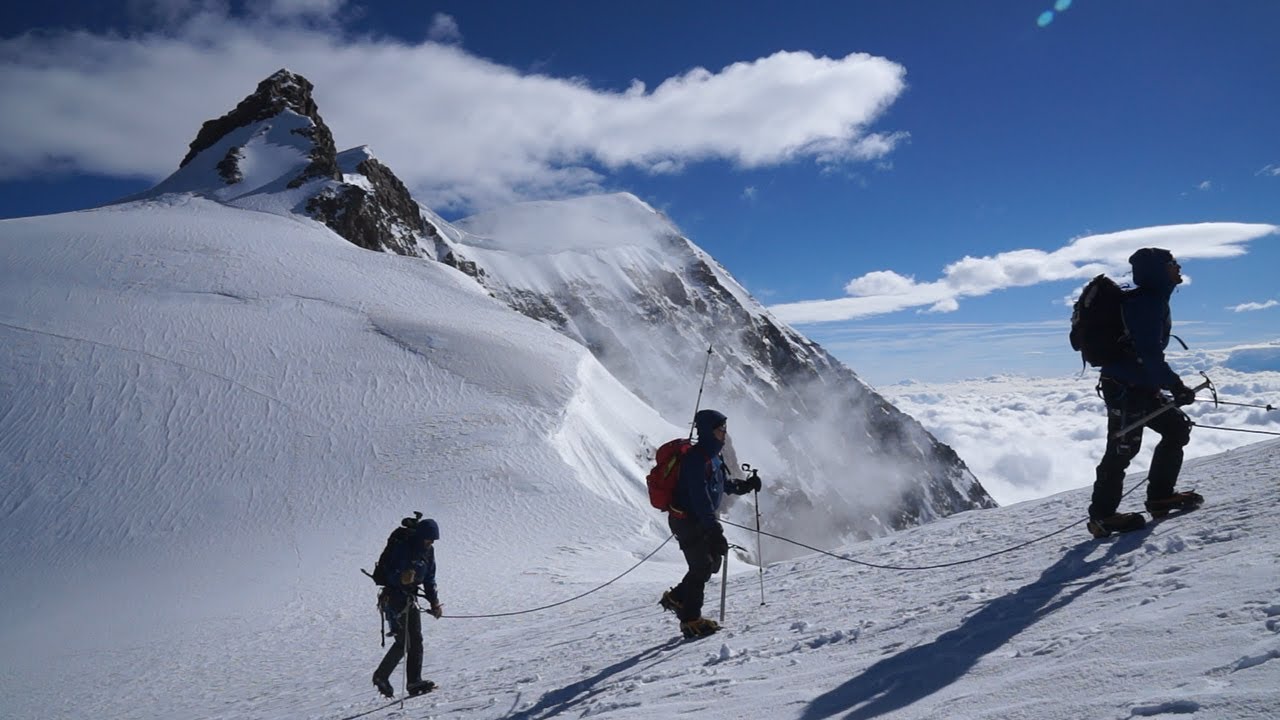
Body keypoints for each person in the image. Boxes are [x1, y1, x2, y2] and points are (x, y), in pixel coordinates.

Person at [1089, 248, 1202, 537]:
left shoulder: (1149, 299)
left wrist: (1168, 384)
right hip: (1126, 388)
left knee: (1176, 429)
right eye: (1172, 264)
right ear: (1158, 271)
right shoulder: (1147, 303)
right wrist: (1175, 386)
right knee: (1121, 450)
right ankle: (1102, 517)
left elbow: (1145, 356)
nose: (1178, 268)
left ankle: (1160, 496)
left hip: (1138, 385)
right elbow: (1148, 354)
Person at [659, 409, 762, 638]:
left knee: (711, 563)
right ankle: (690, 620)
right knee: (702, 566)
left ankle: (677, 598)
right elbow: (700, 497)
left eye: (725, 429)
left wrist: (744, 486)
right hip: (687, 520)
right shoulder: (696, 459)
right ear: (708, 431)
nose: (724, 433)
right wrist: (712, 527)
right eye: (720, 429)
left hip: (699, 519)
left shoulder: (714, 456)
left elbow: (721, 483)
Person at [372, 516, 444, 698]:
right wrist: (400, 578)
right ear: (420, 536)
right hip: (394, 598)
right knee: (404, 641)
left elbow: (429, 578)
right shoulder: (403, 547)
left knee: (416, 639)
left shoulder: (428, 552)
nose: (430, 542)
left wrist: (434, 602)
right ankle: (381, 676)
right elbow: (389, 572)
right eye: (428, 538)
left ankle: (414, 681)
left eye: (433, 540)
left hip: (409, 598)